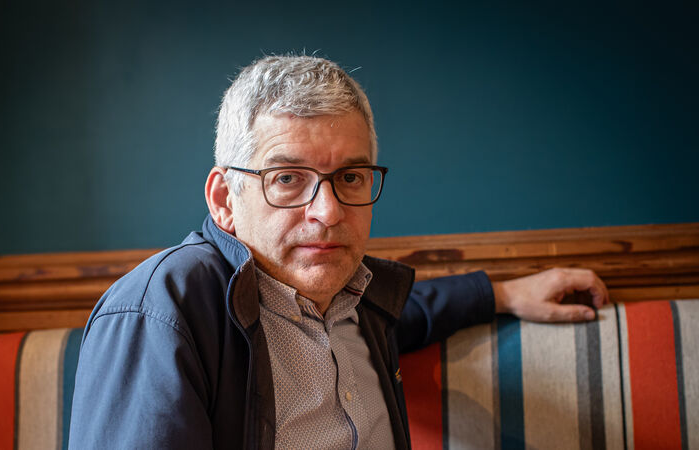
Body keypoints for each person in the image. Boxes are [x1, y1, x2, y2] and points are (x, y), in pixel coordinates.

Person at [68, 55, 608, 449]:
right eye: (287, 178)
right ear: (225, 199)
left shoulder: (357, 302)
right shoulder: (159, 314)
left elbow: (412, 313)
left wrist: (504, 294)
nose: (327, 211)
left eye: (350, 177)